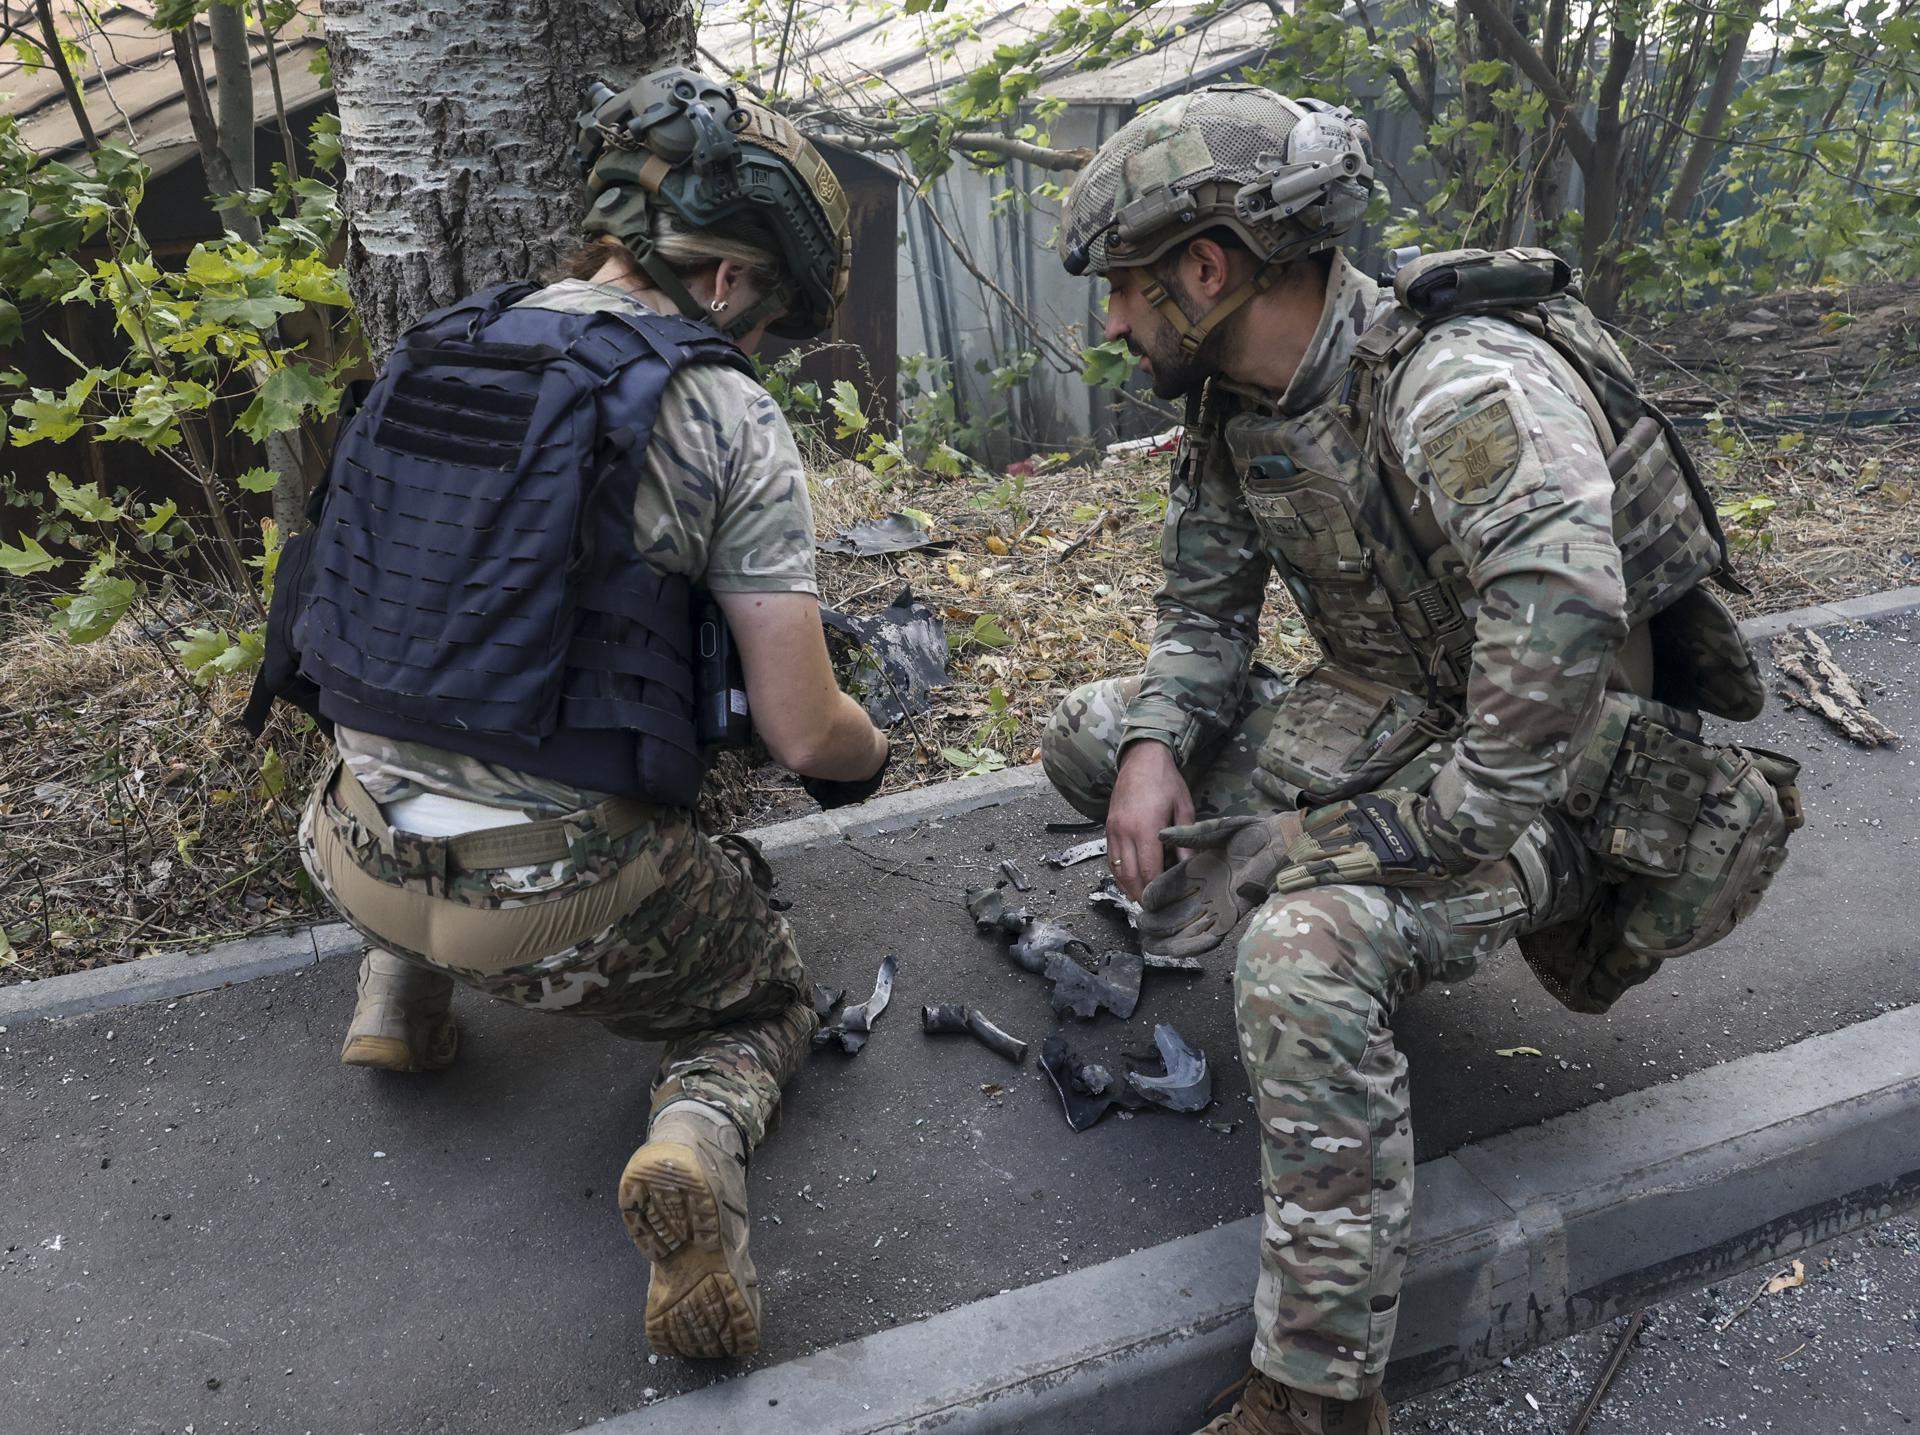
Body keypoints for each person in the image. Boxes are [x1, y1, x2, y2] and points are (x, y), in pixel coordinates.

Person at [1042, 85, 1799, 1434]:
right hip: (1394, 723)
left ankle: (1319, 1395)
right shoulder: (1240, 398)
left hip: (1551, 783)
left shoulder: (1459, 387)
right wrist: (1161, 746)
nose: (1112, 321)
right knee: (1092, 739)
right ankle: (1337, 926)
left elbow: (1568, 621)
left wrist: (1343, 854)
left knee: (1304, 951)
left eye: (1123, 288)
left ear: (1206, 271)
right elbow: (1204, 608)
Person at [266, 67, 888, 1362]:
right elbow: (802, 729)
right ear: (729, 282)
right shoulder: (717, 408)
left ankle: (402, 997)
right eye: (768, 322)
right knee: (760, 1002)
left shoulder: (434, 347)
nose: (758, 352)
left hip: (349, 849)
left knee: (448, 734)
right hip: (554, 903)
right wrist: (869, 745)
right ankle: (693, 1146)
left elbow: (339, 632)